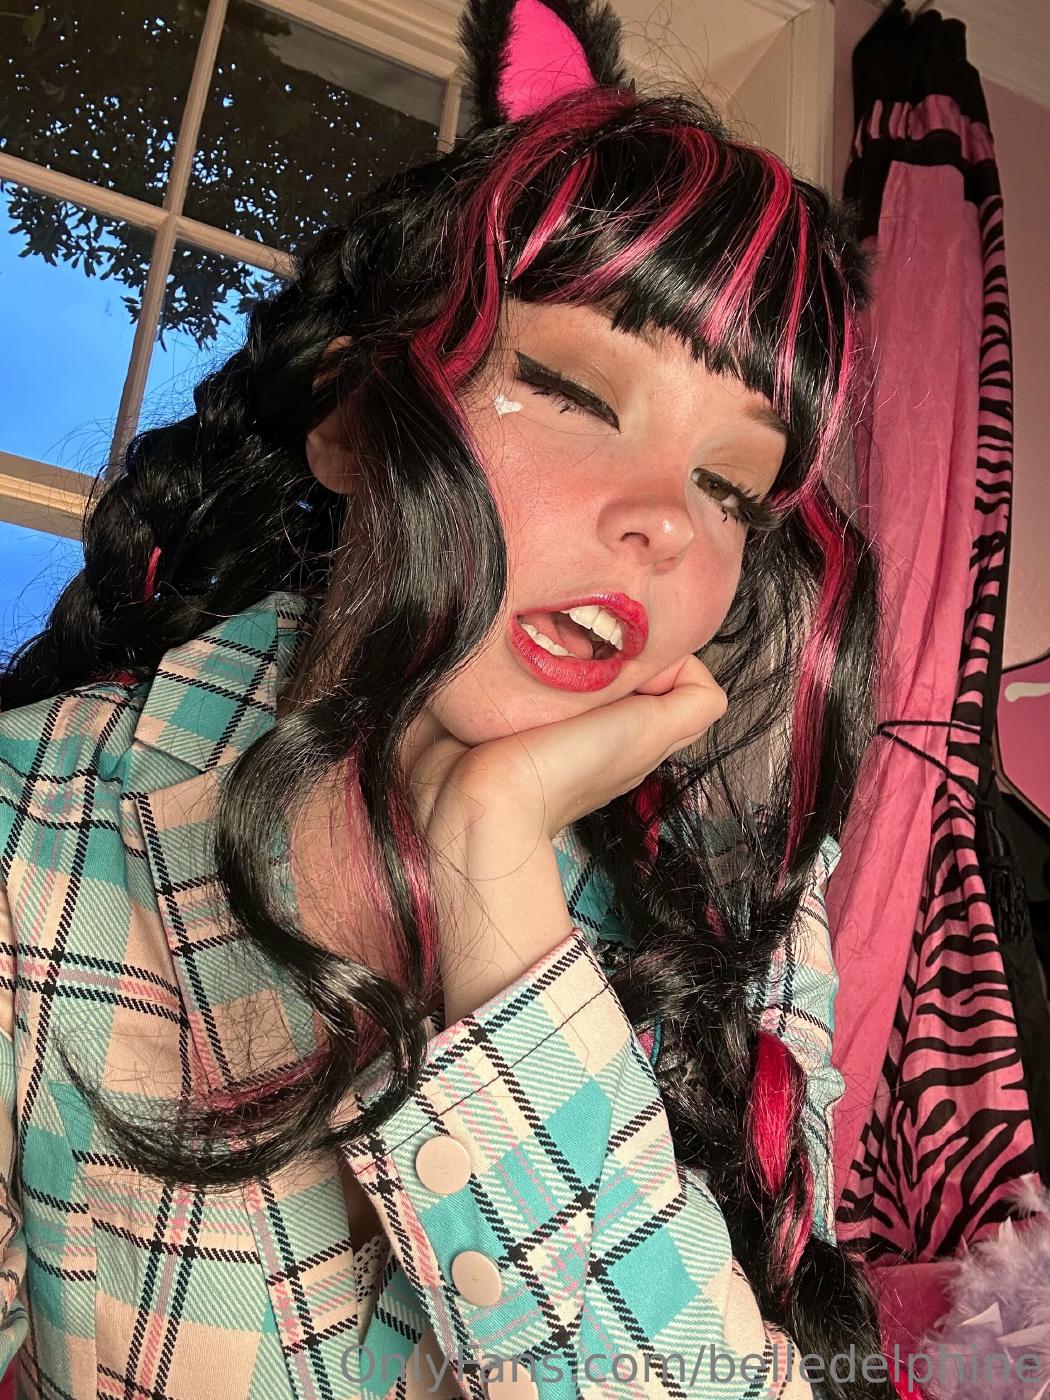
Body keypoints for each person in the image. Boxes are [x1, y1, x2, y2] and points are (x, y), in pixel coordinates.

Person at [0, 1, 908, 1397]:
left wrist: (499, 907)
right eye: (571, 390)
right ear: (351, 421)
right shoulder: (30, 825)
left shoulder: (744, 890)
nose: (668, 518)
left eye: (731, 483)